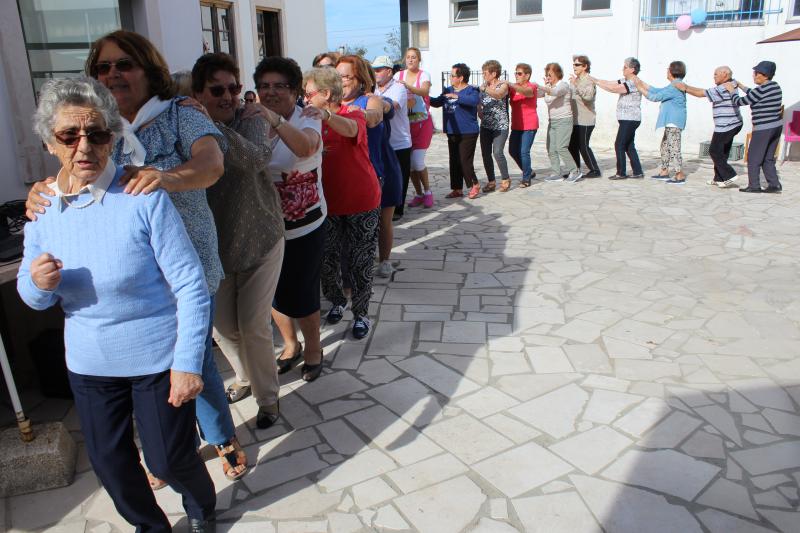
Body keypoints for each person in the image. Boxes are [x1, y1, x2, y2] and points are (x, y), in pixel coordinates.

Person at [25, 30, 244, 494]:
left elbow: (211, 165)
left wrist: (162, 177)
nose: (113, 74)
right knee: (148, 381)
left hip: (183, 262)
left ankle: (220, 438)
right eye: (103, 67)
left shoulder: (179, 114)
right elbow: (73, 167)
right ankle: (167, 450)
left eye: (124, 64)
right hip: (128, 274)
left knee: (194, 364)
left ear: (148, 69)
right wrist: (43, 189)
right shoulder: (96, 124)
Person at [188, 53, 285, 430]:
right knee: (222, 327)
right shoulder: (187, 128)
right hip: (216, 247)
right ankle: (245, 375)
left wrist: (208, 124)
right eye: (217, 90)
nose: (228, 96)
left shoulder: (251, 120)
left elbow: (255, 157)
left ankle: (268, 399)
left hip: (262, 237)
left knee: (253, 324)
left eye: (233, 88)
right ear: (198, 92)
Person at [253, 56, 326, 382]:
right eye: (264, 86)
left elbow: (307, 148)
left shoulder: (307, 118)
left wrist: (276, 121)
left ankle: (314, 347)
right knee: (274, 292)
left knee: (303, 292)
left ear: (295, 90)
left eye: (279, 86)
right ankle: (289, 344)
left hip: (305, 225)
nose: (270, 92)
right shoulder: (251, 123)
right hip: (266, 225)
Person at [302, 67, 381, 340]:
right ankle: (337, 301)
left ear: (325, 94)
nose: (305, 98)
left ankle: (361, 314)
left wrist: (325, 116)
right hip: (325, 204)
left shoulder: (353, 113)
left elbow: (350, 130)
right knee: (327, 260)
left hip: (362, 200)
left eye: (308, 93)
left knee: (360, 262)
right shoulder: (306, 120)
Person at [336, 55, 402, 278]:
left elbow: (375, 116)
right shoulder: (329, 104)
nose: (341, 81)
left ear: (360, 78)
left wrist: (354, 112)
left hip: (375, 170)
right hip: (341, 175)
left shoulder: (370, 99)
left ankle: (382, 261)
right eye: (337, 76)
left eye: (346, 76)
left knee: (380, 223)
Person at [674, 66, 743, 189]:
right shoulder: (732, 83)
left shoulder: (723, 88)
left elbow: (702, 93)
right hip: (733, 123)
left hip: (726, 125)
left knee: (714, 151)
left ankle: (729, 175)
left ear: (725, 75)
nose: (714, 76)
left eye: (716, 74)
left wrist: (685, 88)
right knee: (722, 152)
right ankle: (719, 178)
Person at [727, 61, 783, 193]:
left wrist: (732, 91)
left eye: (756, 73)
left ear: (764, 75)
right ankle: (774, 185)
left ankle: (754, 186)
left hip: (764, 128)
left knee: (753, 157)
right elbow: (755, 94)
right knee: (768, 157)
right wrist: (741, 86)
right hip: (776, 127)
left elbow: (739, 101)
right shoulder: (775, 86)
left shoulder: (760, 90)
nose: (754, 75)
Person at [430, 63, 481, 199]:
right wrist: (423, 96)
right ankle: (457, 189)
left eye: (452, 76)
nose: (450, 78)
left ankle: (474, 184)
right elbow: (436, 102)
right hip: (452, 131)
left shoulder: (471, 90)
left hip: (468, 131)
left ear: (461, 77)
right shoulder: (448, 89)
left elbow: (474, 101)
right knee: (454, 160)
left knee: (465, 160)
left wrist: (457, 96)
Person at [634, 61, 688, 184]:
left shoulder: (675, 86)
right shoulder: (673, 85)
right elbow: (657, 90)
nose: (666, 71)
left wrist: (639, 87)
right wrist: (641, 82)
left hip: (674, 122)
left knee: (674, 148)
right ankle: (664, 171)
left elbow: (655, 97)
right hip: (670, 122)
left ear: (671, 71)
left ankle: (679, 175)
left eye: (667, 69)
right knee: (665, 146)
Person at [592, 57, 644, 180]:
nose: (623, 69)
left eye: (625, 67)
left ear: (632, 69)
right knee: (629, 145)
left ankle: (621, 172)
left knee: (619, 144)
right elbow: (610, 83)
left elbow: (613, 89)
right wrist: (594, 79)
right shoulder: (625, 80)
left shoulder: (633, 82)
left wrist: (597, 83)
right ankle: (637, 171)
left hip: (630, 119)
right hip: (627, 119)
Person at [373, 55, 412, 220]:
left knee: (400, 177)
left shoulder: (399, 88)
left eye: (379, 70)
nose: (375, 73)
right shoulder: (373, 89)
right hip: (382, 142)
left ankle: (398, 209)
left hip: (399, 142)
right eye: (374, 70)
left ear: (389, 72)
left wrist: (373, 101)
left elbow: (393, 107)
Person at [395, 47, 434, 208]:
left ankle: (428, 192)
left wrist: (409, 87)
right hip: (405, 126)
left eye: (414, 57)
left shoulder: (424, 75)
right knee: (409, 165)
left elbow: (424, 91)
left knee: (418, 162)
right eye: (408, 57)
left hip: (422, 124)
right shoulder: (398, 75)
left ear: (419, 60)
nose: (410, 60)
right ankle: (418, 194)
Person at [540, 63, 580, 182]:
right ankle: (556, 173)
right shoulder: (549, 87)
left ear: (557, 73)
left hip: (564, 120)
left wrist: (543, 87)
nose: (548, 76)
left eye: (550, 74)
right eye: (546, 74)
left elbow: (556, 92)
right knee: (551, 148)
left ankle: (574, 171)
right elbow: (538, 94)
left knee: (561, 147)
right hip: (553, 122)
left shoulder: (563, 85)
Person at [478, 59, 510, 192]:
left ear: (494, 73)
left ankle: (505, 179)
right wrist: (479, 110)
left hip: (500, 126)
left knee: (497, 152)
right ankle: (491, 181)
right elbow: (478, 101)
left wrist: (485, 89)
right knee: (485, 154)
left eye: (485, 73)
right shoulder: (483, 86)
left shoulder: (502, 85)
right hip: (486, 125)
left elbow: (498, 95)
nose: (483, 76)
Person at [506, 63, 540, 188]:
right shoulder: (513, 89)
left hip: (529, 125)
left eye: (519, 73)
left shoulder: (532, 87)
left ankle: (526, 178)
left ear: (527, 75)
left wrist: (512, 85)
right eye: (516, 73)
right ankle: (529, 171)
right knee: (512, 151)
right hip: (516, 125)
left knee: (524, 151)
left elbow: (527, 92)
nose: (516, 75)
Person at [568, 55, 601, 178]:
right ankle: (575, 170)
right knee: (572, 145)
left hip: (586, 119)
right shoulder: (574, 80)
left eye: (577, 65)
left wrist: (576, 84)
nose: (574, 67)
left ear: (585, 66)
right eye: (573, 64)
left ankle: (595, 170)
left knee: (583, 145)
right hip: (575, 119)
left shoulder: (589, 80)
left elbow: (588, 97)